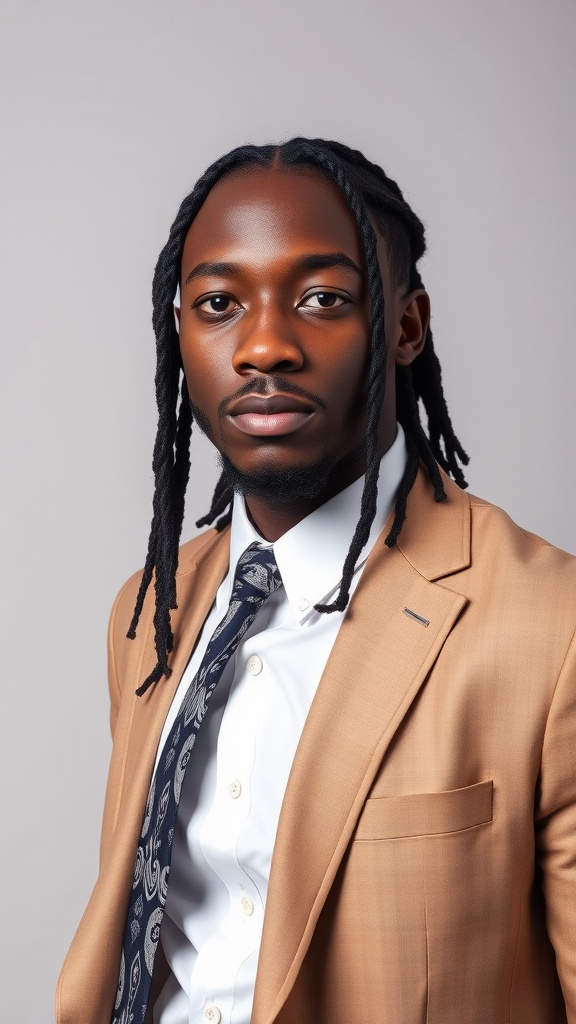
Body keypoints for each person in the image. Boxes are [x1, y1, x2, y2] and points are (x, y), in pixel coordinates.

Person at [56, 138, 576, 1024]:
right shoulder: (149, 611)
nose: (264, 345)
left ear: (406, 327)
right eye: (219, 303)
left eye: (321, 299)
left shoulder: (551, 628)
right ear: (178, 332)